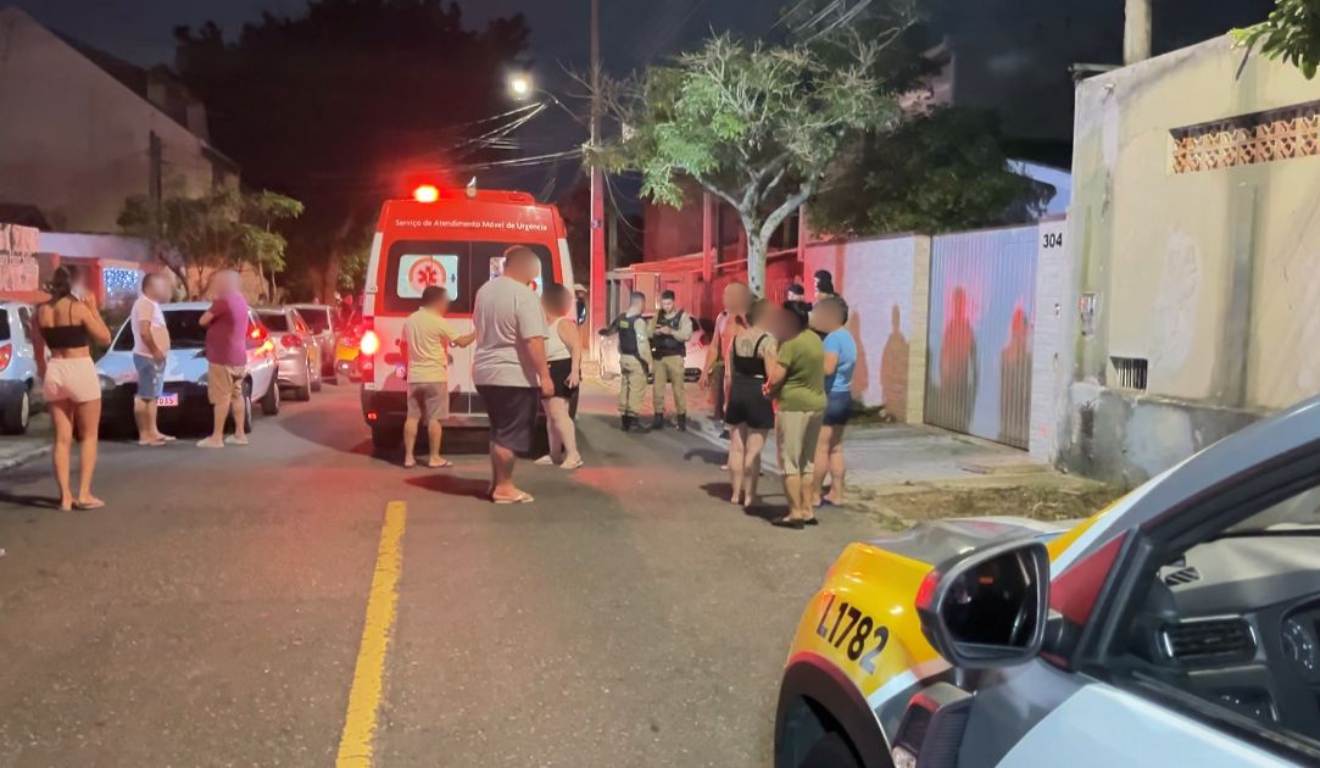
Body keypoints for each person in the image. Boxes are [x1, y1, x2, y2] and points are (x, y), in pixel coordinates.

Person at [473, 245, 554, 504]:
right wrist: (545, 375)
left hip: (485, 372)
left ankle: (496, 482)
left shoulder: (485, 291)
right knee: (510, 432)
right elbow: (532, 339)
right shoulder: (524, 295)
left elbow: (477, 326)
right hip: (513, 375)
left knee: (499, 430)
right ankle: (504, 488)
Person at [32, 266, 112, 510]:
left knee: (62, 439)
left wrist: (45, 373)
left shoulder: (40, 312)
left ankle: (65, 497)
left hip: (55, 369)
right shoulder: (78, 308)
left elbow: (37, 350)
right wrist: (94, 311)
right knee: (88, 436)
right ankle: (84, 493)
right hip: (80, 369)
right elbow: (105, 337)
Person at [765, 300, 826, 529]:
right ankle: (808, 510)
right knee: (807, 462)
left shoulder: (790, 343)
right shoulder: (815, 339)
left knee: (790, 463)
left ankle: (794, 513)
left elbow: (776, 377)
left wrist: (771, 356)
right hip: (817, 404)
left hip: (793, 407)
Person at [402, 286, 475, 469]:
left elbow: (403, 347)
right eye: (446, 302)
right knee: (435, 419)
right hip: (435, 376)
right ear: (437, 301)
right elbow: (462, 342)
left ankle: (409, 457)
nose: (447, 305)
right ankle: (434, 457)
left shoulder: (410, 321)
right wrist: (478, 332)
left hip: (414, 376)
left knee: (412, 417)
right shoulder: (438, 321)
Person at [724, 299, 777, 509]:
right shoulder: (767, 341)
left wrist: (728, 400)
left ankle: (735, 493)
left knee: (736, 447)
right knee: (754, 450)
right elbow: (771, 376)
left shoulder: (736, 340)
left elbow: (728, 374)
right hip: (757, 392)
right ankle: (749, 496)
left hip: (738, 390)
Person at [811, 296, 857, 508]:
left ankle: (814, 494)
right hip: (845, 394)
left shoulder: (832, 339)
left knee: (820, 449)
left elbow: (828, 368)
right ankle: (837, 493)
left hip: (830, 395)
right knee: (836, 447)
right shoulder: (848, 337)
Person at [197, 270, 251, 448]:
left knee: (221, 397)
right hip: (239, 357)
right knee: (237, 396)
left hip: (222, 357)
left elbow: (203, 320)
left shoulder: (223, 301)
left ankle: (216, 437)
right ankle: (240, 434)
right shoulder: (242, 301)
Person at [535, 284, 584, 469]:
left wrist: (574, 371)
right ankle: (555, 454)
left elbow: (576, 347)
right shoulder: (544, 325)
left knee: (559, 413)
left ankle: (573, 454)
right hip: (549, 368)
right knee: (551, 416)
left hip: (561, 367)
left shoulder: (562, 323)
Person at [700, 282, 751, 439]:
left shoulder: (749, 316)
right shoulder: (721, 318)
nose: (725, 298)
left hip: (746, 370)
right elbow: (715, 346)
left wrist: (745, 319)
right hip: (727, 369)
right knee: (726, 400)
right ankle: (729, 428)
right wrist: (704, 371)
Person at [131, 273, 174, 447]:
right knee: (145, 396)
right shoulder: (145, 304)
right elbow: (144, 331)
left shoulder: (152, 304)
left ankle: (153, 431)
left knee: (153, 396)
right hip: (148, 357)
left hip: (154, 357)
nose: (164, 289)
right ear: (150, 287)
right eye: (161, 286)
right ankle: (144, 435)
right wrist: (155, 350)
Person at [599, 291, 651, 431]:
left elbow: (609, 331)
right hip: (636, 359)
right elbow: (643, 344)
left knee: (625, 387)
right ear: (641, 303)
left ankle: (625, 421)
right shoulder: (638, 321)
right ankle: (633, 422)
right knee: (636, 389)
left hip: (624, 358)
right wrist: (649, 362)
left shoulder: (622, 319)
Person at [650, 289, 694, 431]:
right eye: (663, 304)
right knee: (657, 389)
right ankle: (658, 418)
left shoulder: (683, 316)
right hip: (659, 357)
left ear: (673, 302)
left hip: (675, 356)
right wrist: (655, 332)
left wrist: (671, 332)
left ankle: (681, 420)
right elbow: (648, 331)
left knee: (678, 389)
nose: (666, 307)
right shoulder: (657, 316)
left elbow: (686, 335)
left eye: (668, 304)